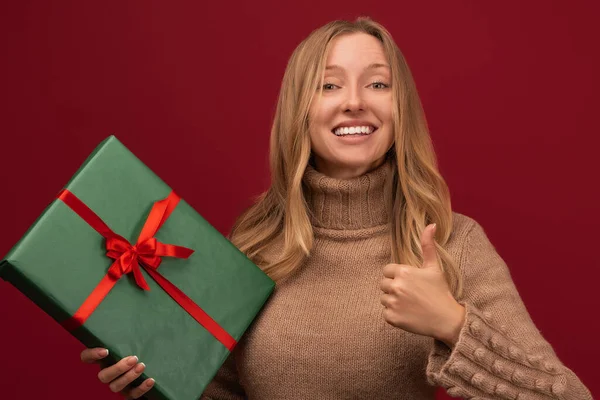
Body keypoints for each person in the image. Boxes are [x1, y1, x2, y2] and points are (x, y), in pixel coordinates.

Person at [80, 17, 593, 399]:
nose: (354, 102)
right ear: (300, 109)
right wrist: (152, 386)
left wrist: (454, 325)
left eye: (377, 83)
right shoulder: (256, 241)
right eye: (329, 84)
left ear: (400, 109)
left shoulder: (451, 242)